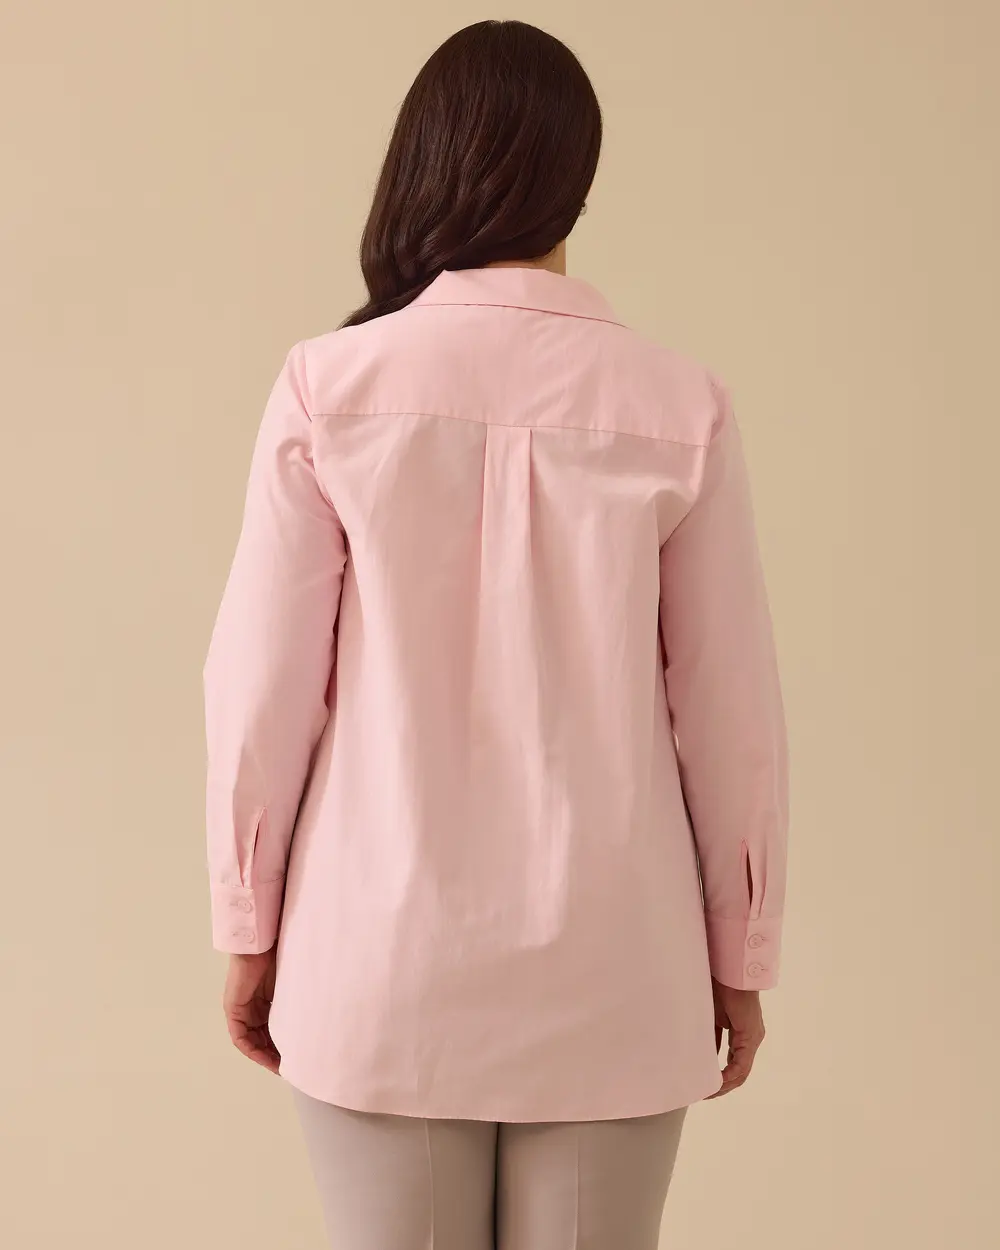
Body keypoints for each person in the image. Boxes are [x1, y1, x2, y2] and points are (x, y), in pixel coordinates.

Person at [203, 18, 788, 1250]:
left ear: (423, 164)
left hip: (378, 959)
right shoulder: (680, 406)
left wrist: (247, 922)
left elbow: (259, 688)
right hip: (614, 966)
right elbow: (729, 708)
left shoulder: (328, 386)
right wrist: (740, 946)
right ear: (579, 183)